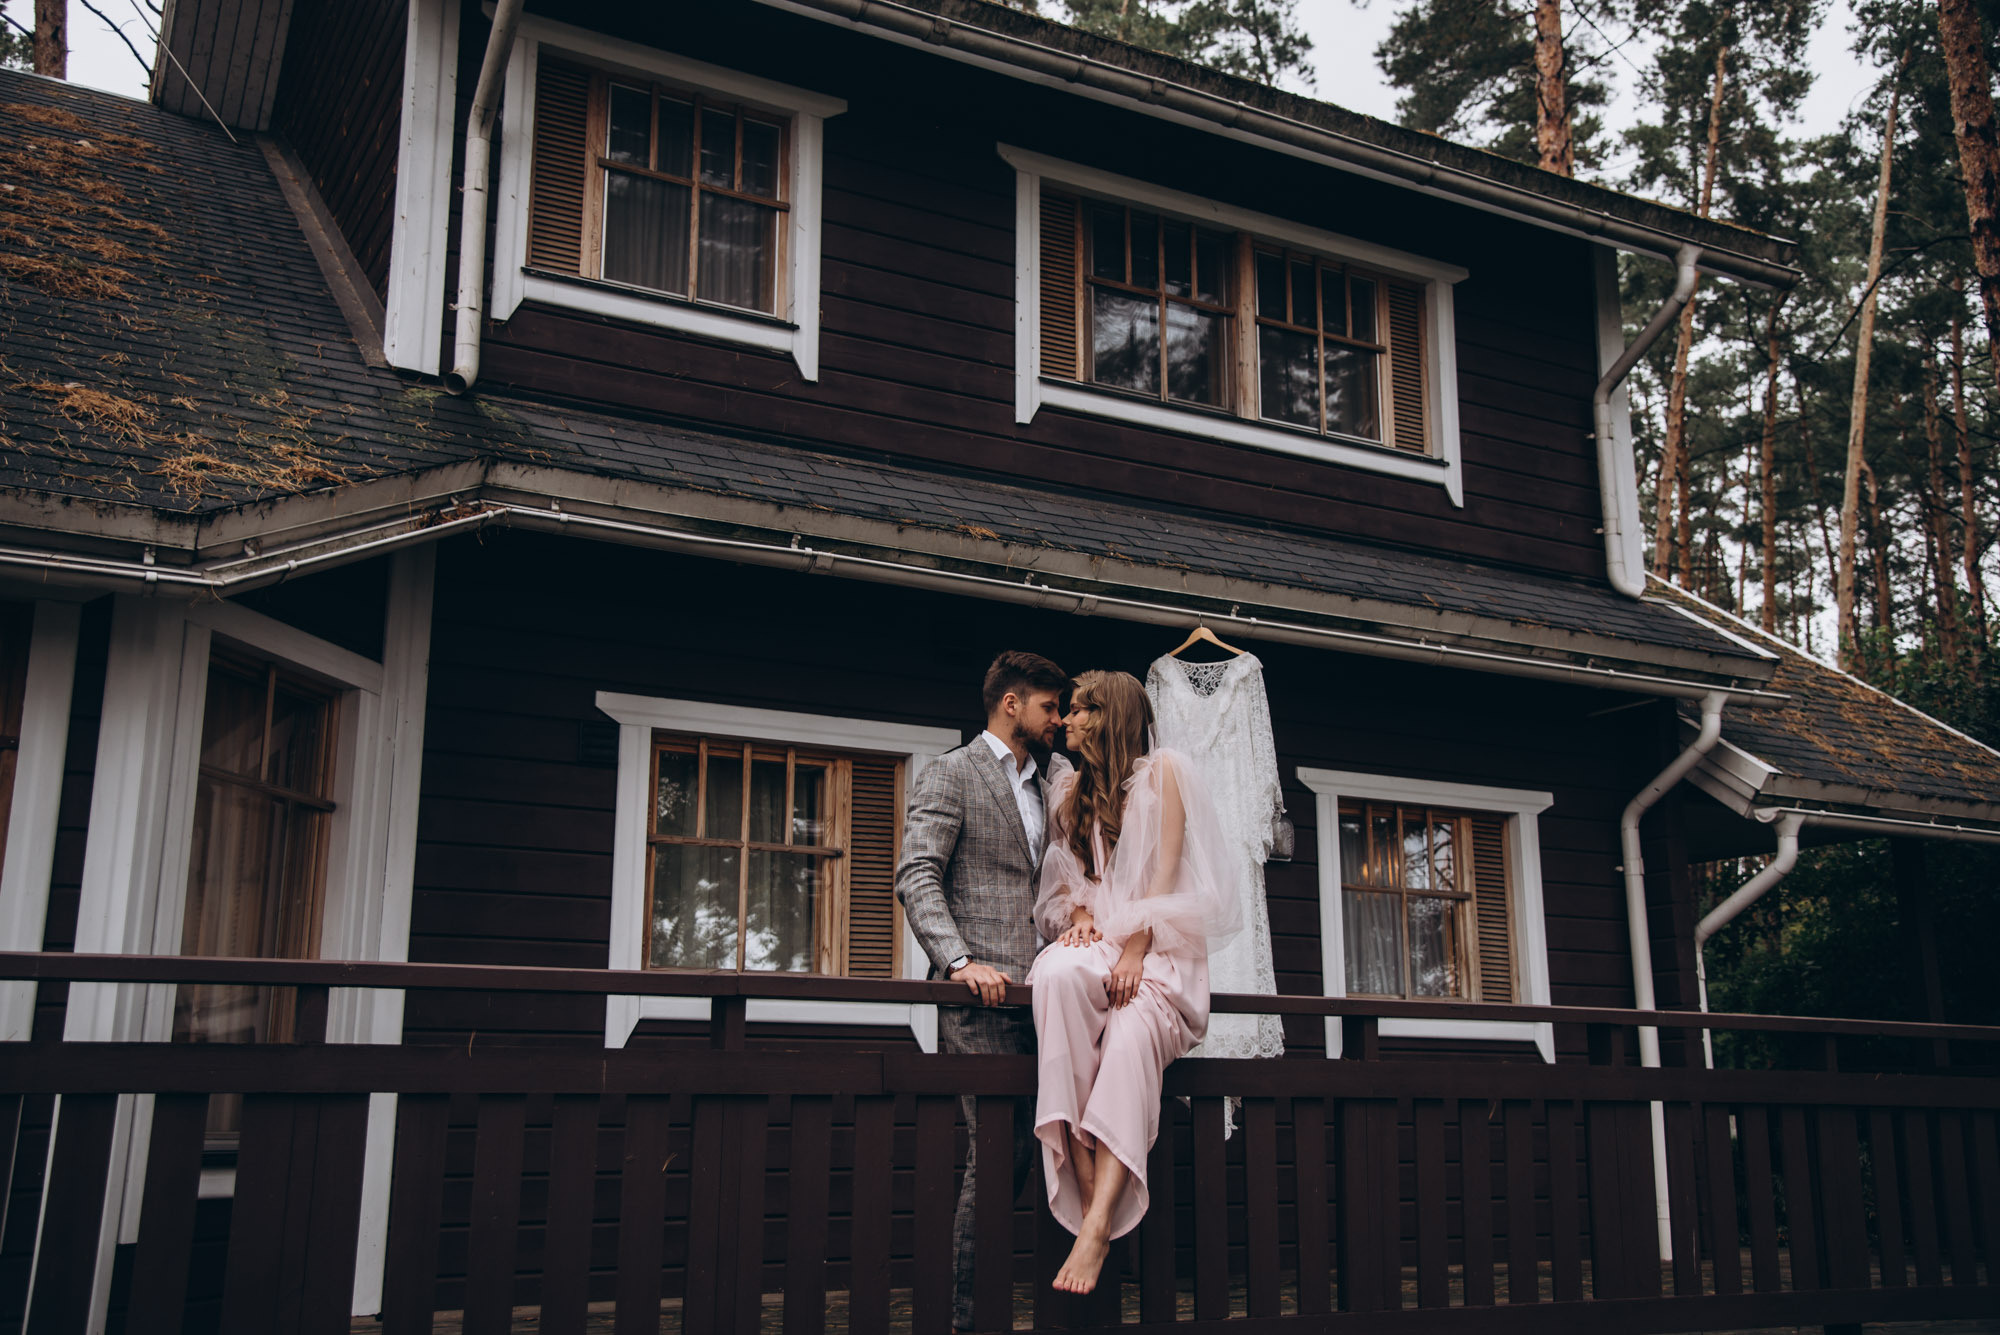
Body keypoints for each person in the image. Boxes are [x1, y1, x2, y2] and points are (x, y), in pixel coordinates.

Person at [1028, 669, 1241, 1296]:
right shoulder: (1071, 790)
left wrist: (1136, 951)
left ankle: (1094, 1231)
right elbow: (1072, 883)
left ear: (1107, 715)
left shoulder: (1163, 773)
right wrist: (1083, 920)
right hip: (1110, 938)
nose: (1064, 720)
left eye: (1077, 710)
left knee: (1126, 1038)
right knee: (1060, 973)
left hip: (1162, 948)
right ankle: (1091, 1182)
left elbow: (1167, 876)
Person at [896, 649, 1072, 1331]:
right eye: (1049, 706)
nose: (1058, 719)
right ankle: (966, 1318)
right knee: (1000, 1150)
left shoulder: (1058, 778)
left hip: (1053, 996)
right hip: (983, 999)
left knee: (1043, 1149)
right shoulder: (952, 772)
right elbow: (918, 875)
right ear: (1011, 703)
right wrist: (959, 959)